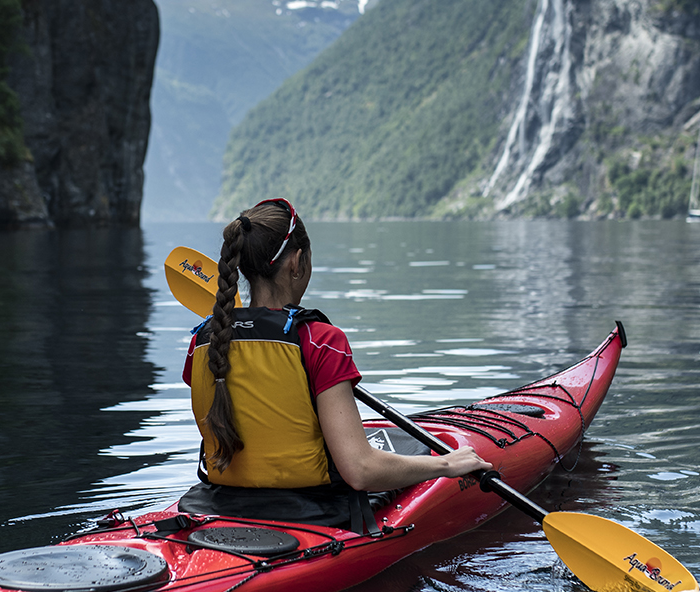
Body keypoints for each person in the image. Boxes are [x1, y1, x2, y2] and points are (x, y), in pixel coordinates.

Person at [179, 197, 487, 531]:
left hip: (218, 505)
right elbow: (360, 471)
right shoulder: (319, 339)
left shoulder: (205, 339)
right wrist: (445, 465)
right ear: (297, 263)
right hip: (312, 514)